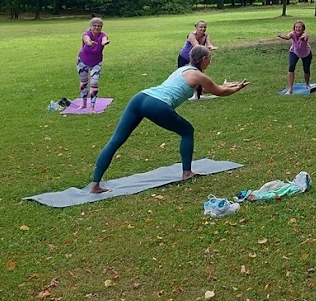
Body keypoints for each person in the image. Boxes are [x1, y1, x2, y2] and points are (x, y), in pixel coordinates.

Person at [89, 45, 248, 193]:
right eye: (210, 58)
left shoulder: (183, 70)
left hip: (140, 98)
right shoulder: (199, 75)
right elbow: (219, 92)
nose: (210, 62)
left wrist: (229, 85)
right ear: (204, 59)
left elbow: (207, 90)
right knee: (187, 131)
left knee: (116, 140)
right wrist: (237, 88)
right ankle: (187, 172)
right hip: (157, 105)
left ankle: (95, 185)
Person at [77, 17, 110, 112]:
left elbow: (104, 40)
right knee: (83, 82)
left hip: (96, 62)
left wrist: (105, 42)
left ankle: (92, 106)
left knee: (94, 82)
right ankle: (84, 103)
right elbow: (86, 40)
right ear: (90, 26)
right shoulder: (86, 34)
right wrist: (89, 43)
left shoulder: (103, 35)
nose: (97, 27)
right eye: (95, 25)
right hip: (82, 61)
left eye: (99, 26)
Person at [277, 20, 313, 93]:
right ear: (294, 28)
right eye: (296, 27)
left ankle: (307, 84)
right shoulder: (292, 33)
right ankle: (290, 89)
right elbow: (288, 37)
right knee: (291, 67)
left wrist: (303, 39)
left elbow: (305, 38)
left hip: (306, 53)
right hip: (294, 52)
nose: (298, 29)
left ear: (303, 28)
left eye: (299, 27)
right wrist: (281, 36)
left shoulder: (304, 34)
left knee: (306, 69)